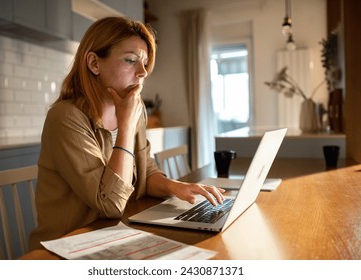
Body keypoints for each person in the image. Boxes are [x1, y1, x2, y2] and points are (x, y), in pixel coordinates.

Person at [28, 16, 225, 251]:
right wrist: (126, 126)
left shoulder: (134, 107)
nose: (142, 72)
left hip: (113, 234)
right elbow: (110, 204)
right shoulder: (66, 117)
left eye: (144, 62)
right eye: (131, 60)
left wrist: (174, 187)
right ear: (94, 63)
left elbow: (144, 171)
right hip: (65, 248)